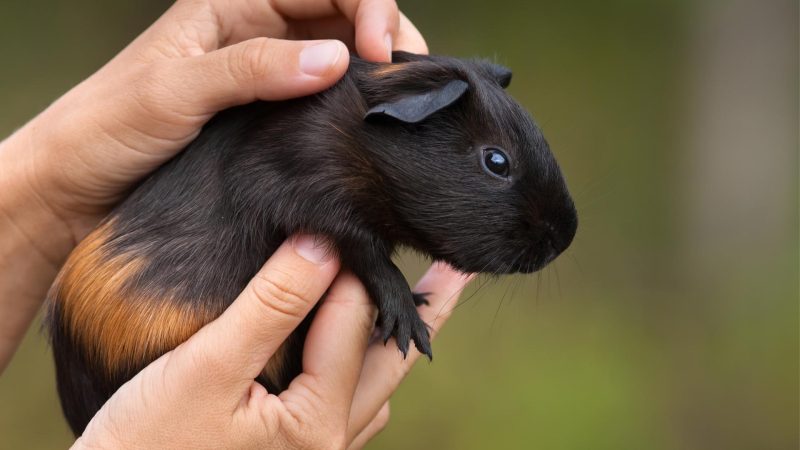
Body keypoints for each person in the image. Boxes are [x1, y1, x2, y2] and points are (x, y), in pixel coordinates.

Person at [0, 0, 471, 448]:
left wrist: (40, 197)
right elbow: (300, 199)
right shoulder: (324, 145)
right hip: (153, 333)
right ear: (409, 116)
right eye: (493, 163)